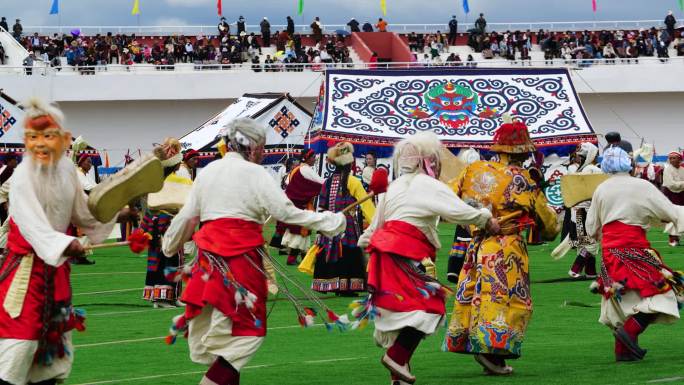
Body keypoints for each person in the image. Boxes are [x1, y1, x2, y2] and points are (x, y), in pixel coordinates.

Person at [161, 118, 345, 385]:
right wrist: (329, 222)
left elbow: (188, 216)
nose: (263, 152)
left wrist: (169, 244)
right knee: (247, 333)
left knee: (227, 340)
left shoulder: (210, 171)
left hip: (207, 265)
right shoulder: (256, 174)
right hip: (241, 264)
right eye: (262, 146)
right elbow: (285, 212)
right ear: (253, 146)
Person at [357, 133, 497, 385]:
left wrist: (366, 242)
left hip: (383, 254)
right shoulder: (428, 185)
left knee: (398, 315)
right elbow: (458, 211)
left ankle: (397, 375)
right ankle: (396, 358)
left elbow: (375, 226)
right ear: (427, 161)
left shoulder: (395, 187)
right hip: (403, 253)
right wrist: (485, 217)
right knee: (430, 306)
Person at [0, 98, 118, 385]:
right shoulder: (22, 177)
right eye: (35, 136)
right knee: (20, 346)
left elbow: (83, 211)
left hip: (56, 275)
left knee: (53, 356)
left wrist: (116, 209)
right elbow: (31, 225)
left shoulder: (67, 170)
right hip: (26, 276)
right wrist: (66, 244)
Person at [445, 119, 559, 375]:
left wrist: (477, 218)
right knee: (504, 299)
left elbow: (448, 200)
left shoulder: (473, 169)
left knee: (478, 294)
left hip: (477, 245)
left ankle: (479, 346)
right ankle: (491, 353)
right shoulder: (524, 180)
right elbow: (550, 227)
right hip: (507, 247)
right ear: (524, 151)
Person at [585, 146, 684, 362]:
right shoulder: (641, 185)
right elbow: (667, 211)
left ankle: (624, 351)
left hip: (610, 251)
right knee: (665, 294)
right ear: (628, 163)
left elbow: (591, 226)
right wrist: (674, 219)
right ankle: (628, 333)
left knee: (625, 299)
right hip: (635, 249)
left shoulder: (601, 189)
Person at [312, 142, 374, 295]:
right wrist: (378, 223)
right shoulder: (353, 182)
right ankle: (347, 288)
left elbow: (322, 207)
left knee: (336, 253)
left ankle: (336, 286)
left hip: (330, 225)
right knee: (348, 254)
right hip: (348, 226)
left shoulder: (328, 181)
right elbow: (367, 205)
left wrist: (322, 227)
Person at [141, 138, 191, 308]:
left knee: (162, 259)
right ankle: (165, 297)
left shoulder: (159, 178)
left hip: (158, 224)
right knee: (171, 259)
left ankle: (163, 296)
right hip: (167, 223)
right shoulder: (172, 179)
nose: (180, 165)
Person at [280, 149, 324, 265]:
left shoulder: (297, 169)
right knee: (301, 231)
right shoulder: (305, 170)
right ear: (307, 158)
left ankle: (303, 257)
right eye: (313, 157)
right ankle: (292, 259)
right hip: (301, 205)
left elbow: (288, 184)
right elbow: (321, 183)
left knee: (300, 231)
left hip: (296, 203)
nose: (315, 159)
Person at [566, 142, 602, 278]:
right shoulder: (593, 169)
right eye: (596, 155)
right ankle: (575, 269)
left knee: (584, 242)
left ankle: (590, 272)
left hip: (577, 211)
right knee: (591, 242)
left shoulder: (578, 170)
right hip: (589, 211)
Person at [446, 148, 480, 283]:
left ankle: (459, 270)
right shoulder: (474, 176)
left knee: (467, 240)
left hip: (468, 213)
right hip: (473, 214)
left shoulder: (462, 177)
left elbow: (453, 193)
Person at [662, 151, 684, 246]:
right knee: (672, 216)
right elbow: (671, 184)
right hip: (671, 195)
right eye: (670, 158)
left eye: (674, 158)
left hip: (682, 195)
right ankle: (673, 239)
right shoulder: (667, 170)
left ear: (680, 159)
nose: (672, 160)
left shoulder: (682, 169)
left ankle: (679, 237)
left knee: (682, 216)